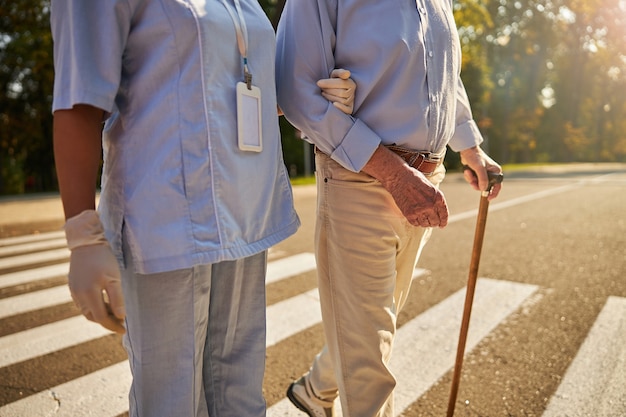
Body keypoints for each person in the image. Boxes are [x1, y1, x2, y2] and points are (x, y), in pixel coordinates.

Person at [50, 1, 356, 416]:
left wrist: (314, 97)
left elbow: (238, 88)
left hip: (245, 214)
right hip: (163, 219)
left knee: (240, 396)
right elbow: (78, 100)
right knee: (170, 400)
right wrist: (82, 235)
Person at [275, 0, 504, 416]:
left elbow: (442, 76)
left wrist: (470, 149)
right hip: (359, 179)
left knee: (374, 326)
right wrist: (396, 176)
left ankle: (316, 389)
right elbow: (295, 91)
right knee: (368, 364)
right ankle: (324, 389)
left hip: (424, 181)